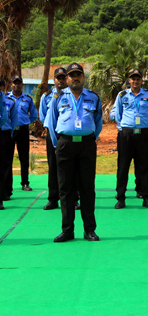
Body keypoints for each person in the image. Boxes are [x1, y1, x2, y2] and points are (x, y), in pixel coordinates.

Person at [44, 63, 104, 242]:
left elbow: (98, 121)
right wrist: (58, 145)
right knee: (66, 189)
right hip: (65, 146)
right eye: (71, 75)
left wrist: (90, 138)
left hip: (86, 145)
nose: (75, 78)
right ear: (67, 79)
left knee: (87, 188)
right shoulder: (58, 97)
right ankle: (67, 230)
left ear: (83, 78)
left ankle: (89, 230)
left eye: (78, 74)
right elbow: (51, 123)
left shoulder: (93, 97)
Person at [110, 69, 148, 208]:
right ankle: (121, 198)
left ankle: (146, 197)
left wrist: (144, 126)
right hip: (126, 135)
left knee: (143, 167)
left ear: (142, 80)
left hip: (142, 134)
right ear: (129, 80)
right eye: (133, 78)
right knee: (123, 166)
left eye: (138, 79)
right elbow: (117, 114)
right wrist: (124, 127)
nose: (135, 81)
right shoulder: (122, 95)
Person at [39, 68, 68, 209]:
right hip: (52, 134)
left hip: (67, 135)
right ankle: (53, 199)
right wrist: (52, 128)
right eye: (58, 78)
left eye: (63, 77)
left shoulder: (71, 95)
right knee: (53, 166)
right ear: (54, 80)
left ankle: (73, 198)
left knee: (70, 167)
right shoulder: (47, 96)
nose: (61, 80)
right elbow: (43, 116)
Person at [5, 76, 37, 197]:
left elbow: (34, 115)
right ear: (11, 85)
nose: (17, 85)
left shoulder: (27, 99)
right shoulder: (6, 98)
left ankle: (25, 183)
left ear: (22, 85)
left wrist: (25, 121)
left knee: (24, 158)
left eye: (19, 83)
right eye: (15, 83)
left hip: (23, 130)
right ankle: (8, 185)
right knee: (7, 158)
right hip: (10, 131)